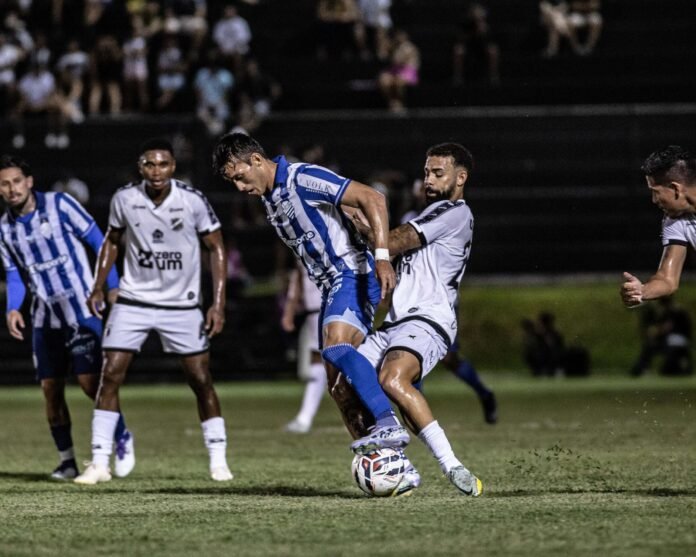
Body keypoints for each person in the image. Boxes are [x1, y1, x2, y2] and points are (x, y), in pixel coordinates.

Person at [212, 132, 409, 455]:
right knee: (339, 390)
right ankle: (386, 463)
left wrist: (383, 257)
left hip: (351, 273)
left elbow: (372, 198)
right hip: (329, 286)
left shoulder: (302, 177)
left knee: (335, 346)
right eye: (232, 181)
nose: (239, 187)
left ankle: (389, 421)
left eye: (240, 177)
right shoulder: (270, 199)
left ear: (257, 160)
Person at [74, 138, 233, 484]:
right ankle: (99, 462)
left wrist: (218, 304)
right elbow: (111, 241)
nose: (156, 171)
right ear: (140, 167)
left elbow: (216, 246)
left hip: (182, 304)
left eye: (163, 164)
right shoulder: (124, 198)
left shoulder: (192, 200)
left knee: (200, 379)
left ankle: (218, 459)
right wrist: (98, 285)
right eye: (150, 164)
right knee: (110, 375)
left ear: (173, 166)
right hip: (134, 300)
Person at [351, 142, 483, 496]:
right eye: (426, 173)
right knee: (346, 380)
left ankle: (452, 465)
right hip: (397, 322)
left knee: (392, 379)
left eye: (438, 173)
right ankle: (397, 466)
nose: (428, 180)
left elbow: (394, 241)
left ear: (460, 178)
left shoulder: (455, 213)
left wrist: (359, 219)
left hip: (428, 319)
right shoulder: (428, 214)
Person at [0, 155, 133, 480]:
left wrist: (111, 285)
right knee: (51, 390)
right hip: (45, 317)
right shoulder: (4, 228)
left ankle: (122, 437)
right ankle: (67, 461)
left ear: (29, 182)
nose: (12, 188)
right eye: (4, 184)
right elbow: (14, 274)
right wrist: (13, 308)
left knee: (90, 383)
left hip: (82, 309)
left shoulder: (60, 204)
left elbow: (100, 242)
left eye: (16, 181)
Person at [400, 178, 497, 423]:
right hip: (414, 298)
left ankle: (484, 394)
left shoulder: (448, 216)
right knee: (408, 352)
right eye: (420, 190)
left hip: (442, 299)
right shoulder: (409, 219)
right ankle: (418, 416)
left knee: (448, 359)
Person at [621, 145, 696, 308]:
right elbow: (667, 280)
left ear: (675, 188)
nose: (654, 200)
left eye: (655, 191)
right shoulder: (675, 220)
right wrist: (642, 291)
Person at [281, 262, 326, 434]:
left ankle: (366, 416)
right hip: (315, 312)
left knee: (341, 361)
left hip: (334, 308)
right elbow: (298, 279)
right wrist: (289, 311)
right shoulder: (303, 252)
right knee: (319, 359)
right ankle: (304, 418)